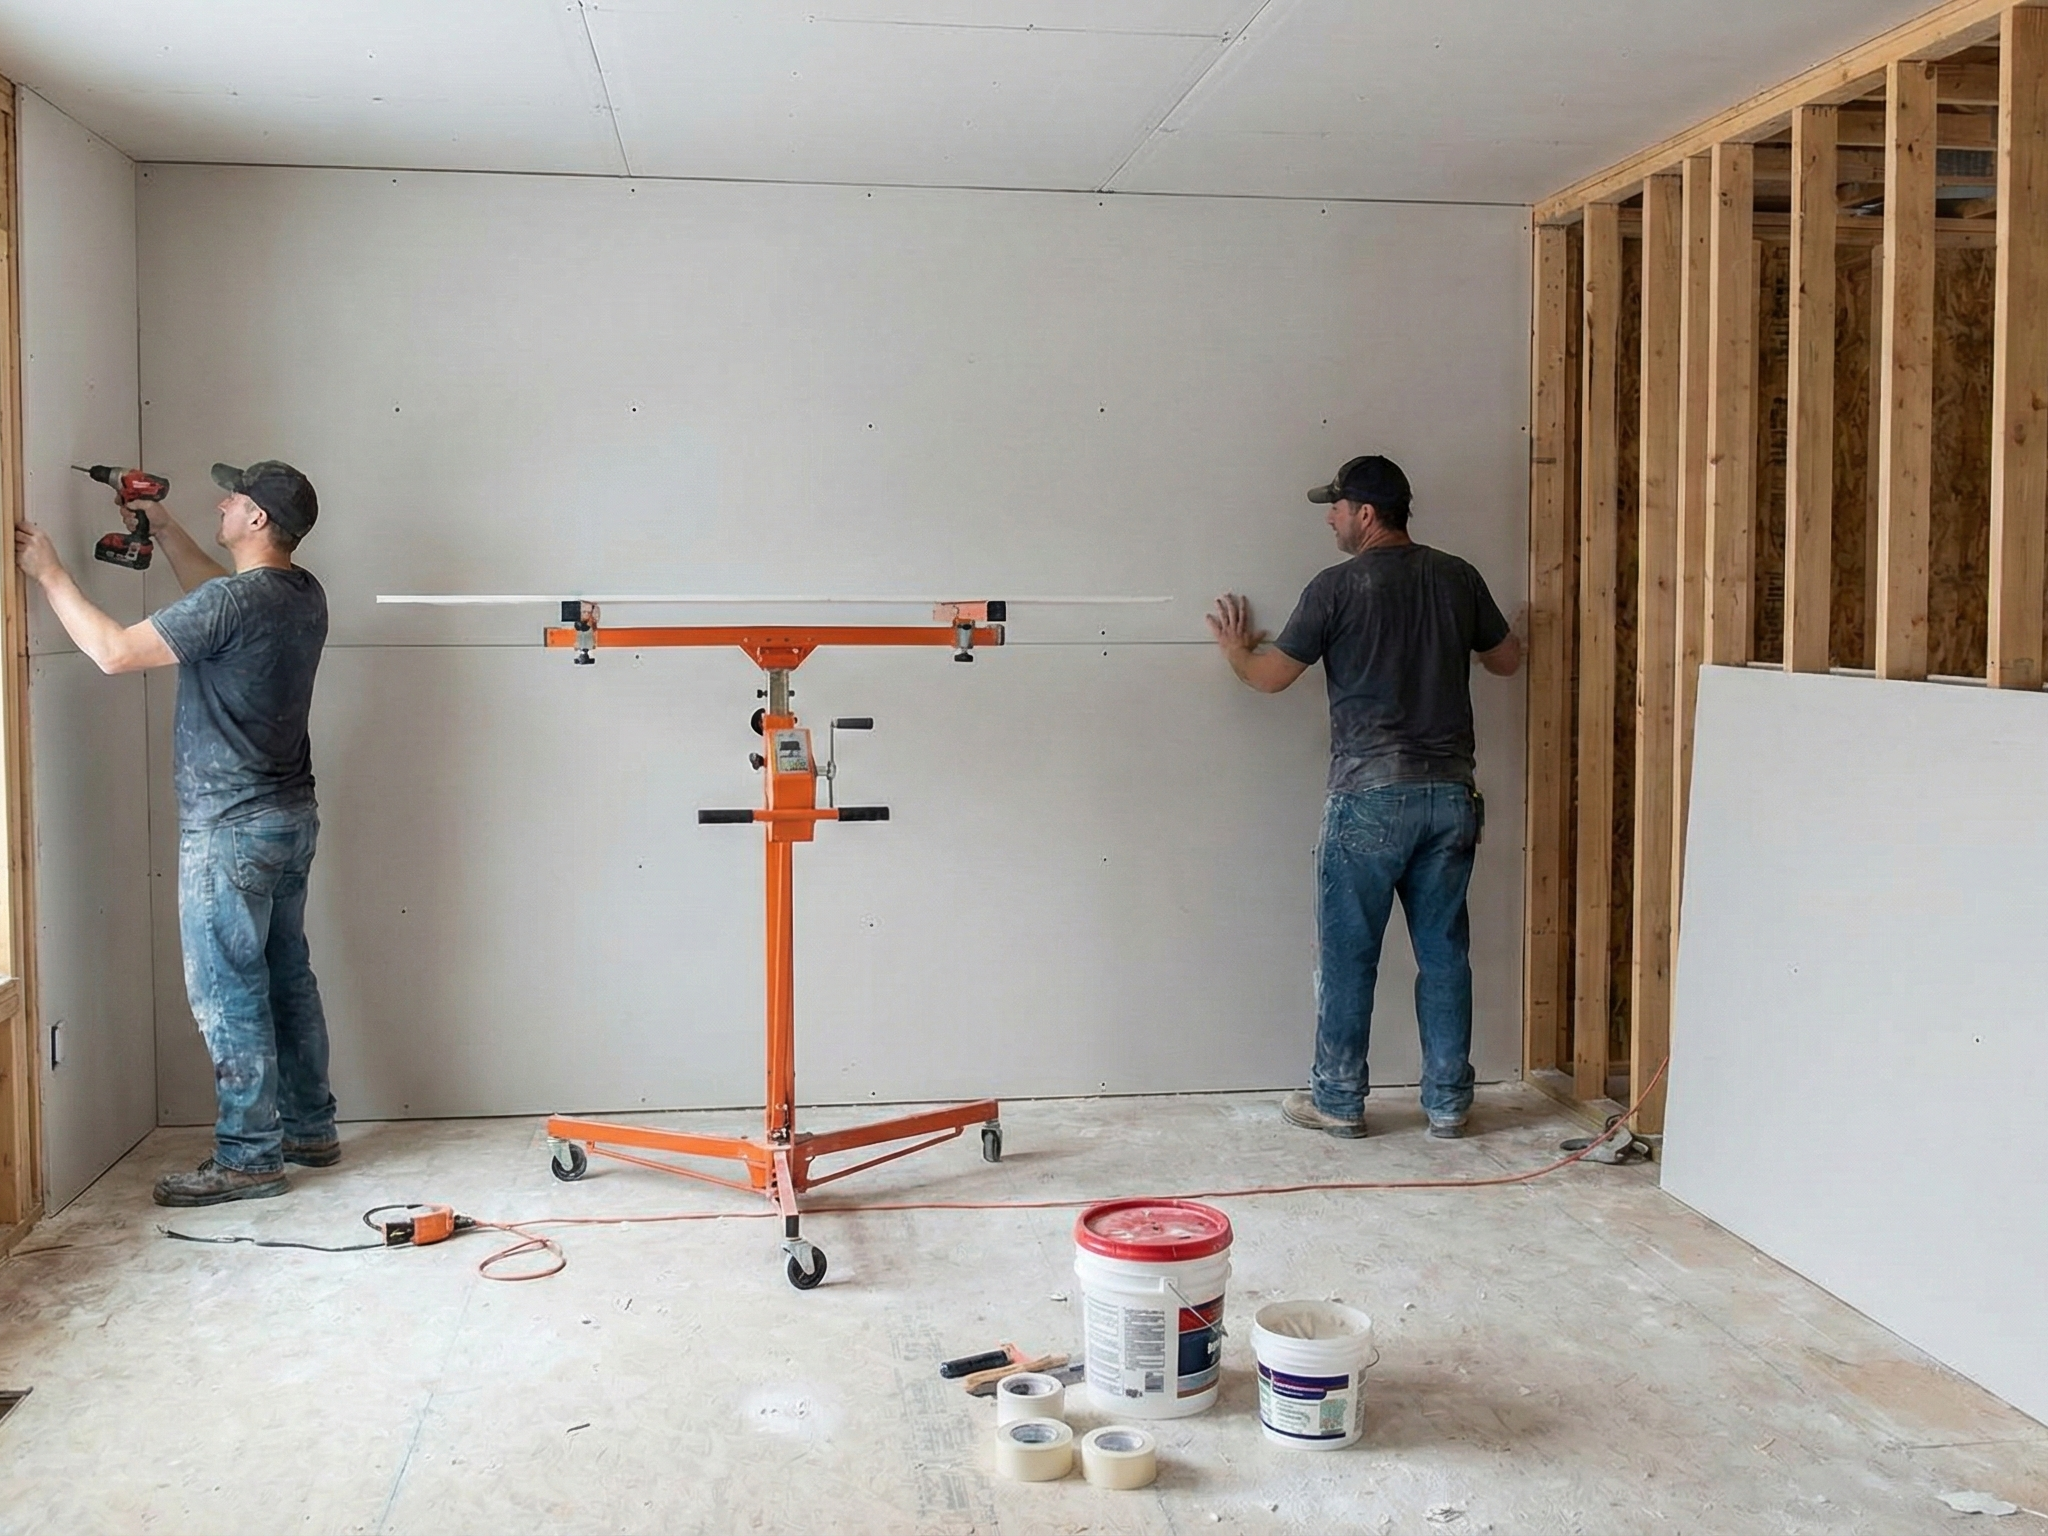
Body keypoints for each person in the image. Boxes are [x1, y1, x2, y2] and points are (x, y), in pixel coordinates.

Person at [16, 461, 334, 1204]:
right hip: (289, 822)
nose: (221, 502)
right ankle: (310, 1128)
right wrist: (160, 525)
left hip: (227, 832)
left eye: (235, 498)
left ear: (258, 521)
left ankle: (251, 1157)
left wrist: (51, 572)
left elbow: (114, 653)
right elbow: (209, 592)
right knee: (287, 976)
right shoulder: (299, 594)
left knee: (229, 992)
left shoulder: (233, 602)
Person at [1207, 454, 1522, 1140]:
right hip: (1449, 798)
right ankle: (1447, 1104)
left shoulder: (1336, 589)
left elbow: (1269, 679)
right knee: (1443, 952)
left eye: (1337, 507)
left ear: (1366, 515)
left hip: (1369, 798)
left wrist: (1235, 649)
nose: (1331, 517)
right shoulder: (1458, 577)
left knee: (1351, 955)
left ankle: (1340, 1101)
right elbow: (1506, 659)